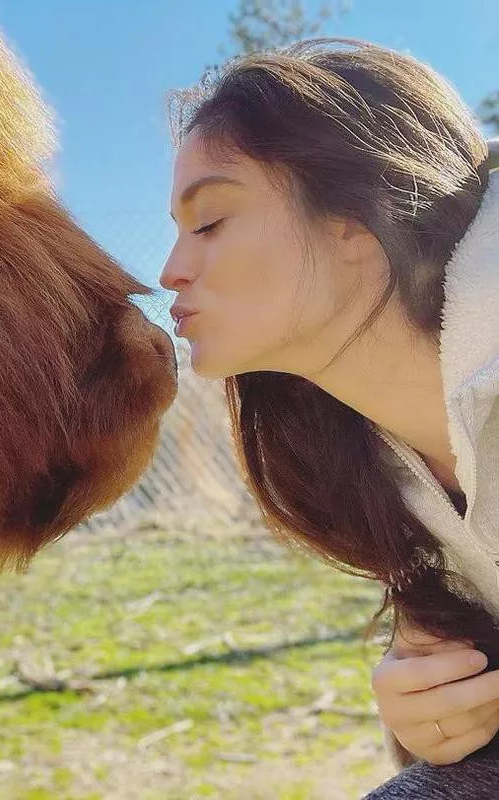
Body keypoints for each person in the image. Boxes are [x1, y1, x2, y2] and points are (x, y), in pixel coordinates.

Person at [160, 38, 499, 798]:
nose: (170, 270)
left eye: (209, 221)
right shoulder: (363, 462)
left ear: (357, 216)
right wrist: (426, 716)